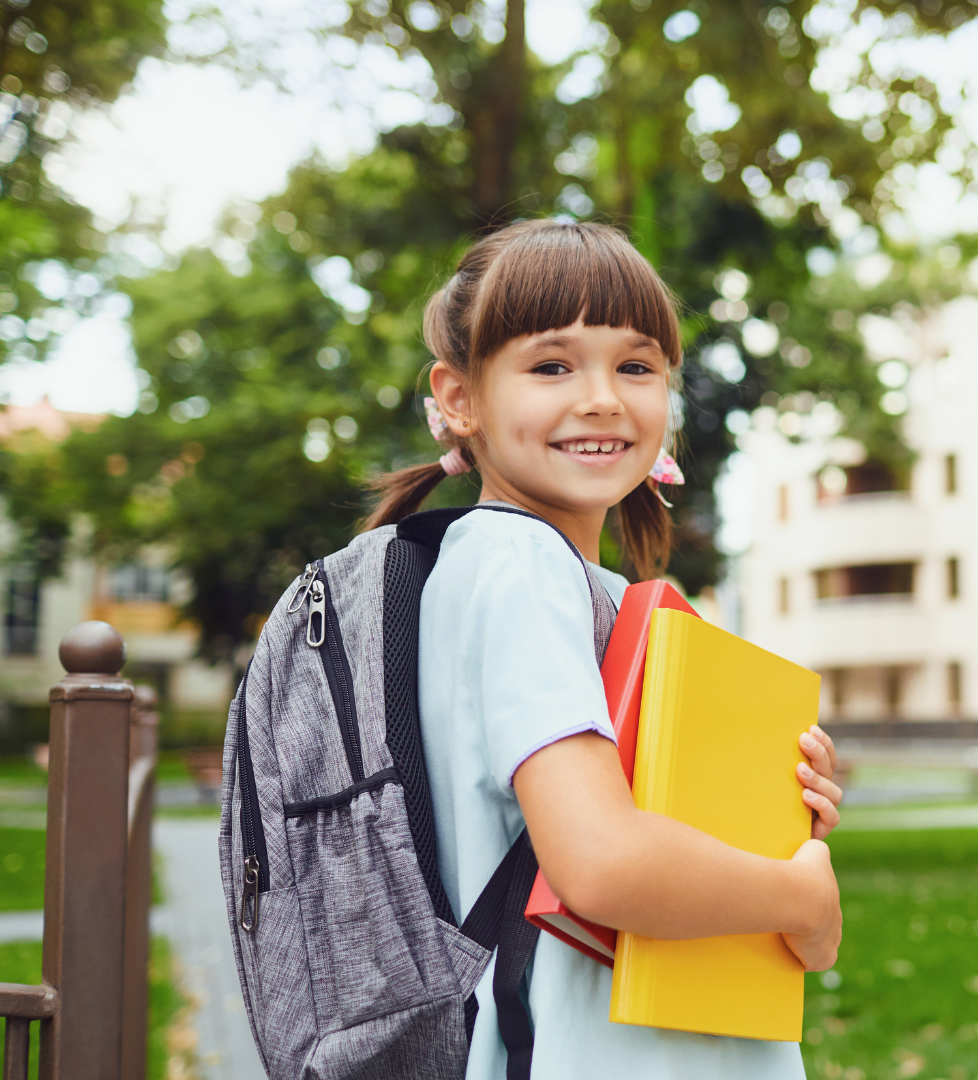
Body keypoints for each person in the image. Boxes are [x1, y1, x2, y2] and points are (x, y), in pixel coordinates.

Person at [364, 219, 843, 1080]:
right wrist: (800, 894)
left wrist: (774, 816)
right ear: (459, 397)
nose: (602, 399)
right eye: (552, 366)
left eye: (636, 366)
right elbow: (601, 862)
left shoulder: (491, 569)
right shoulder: (523, 566)